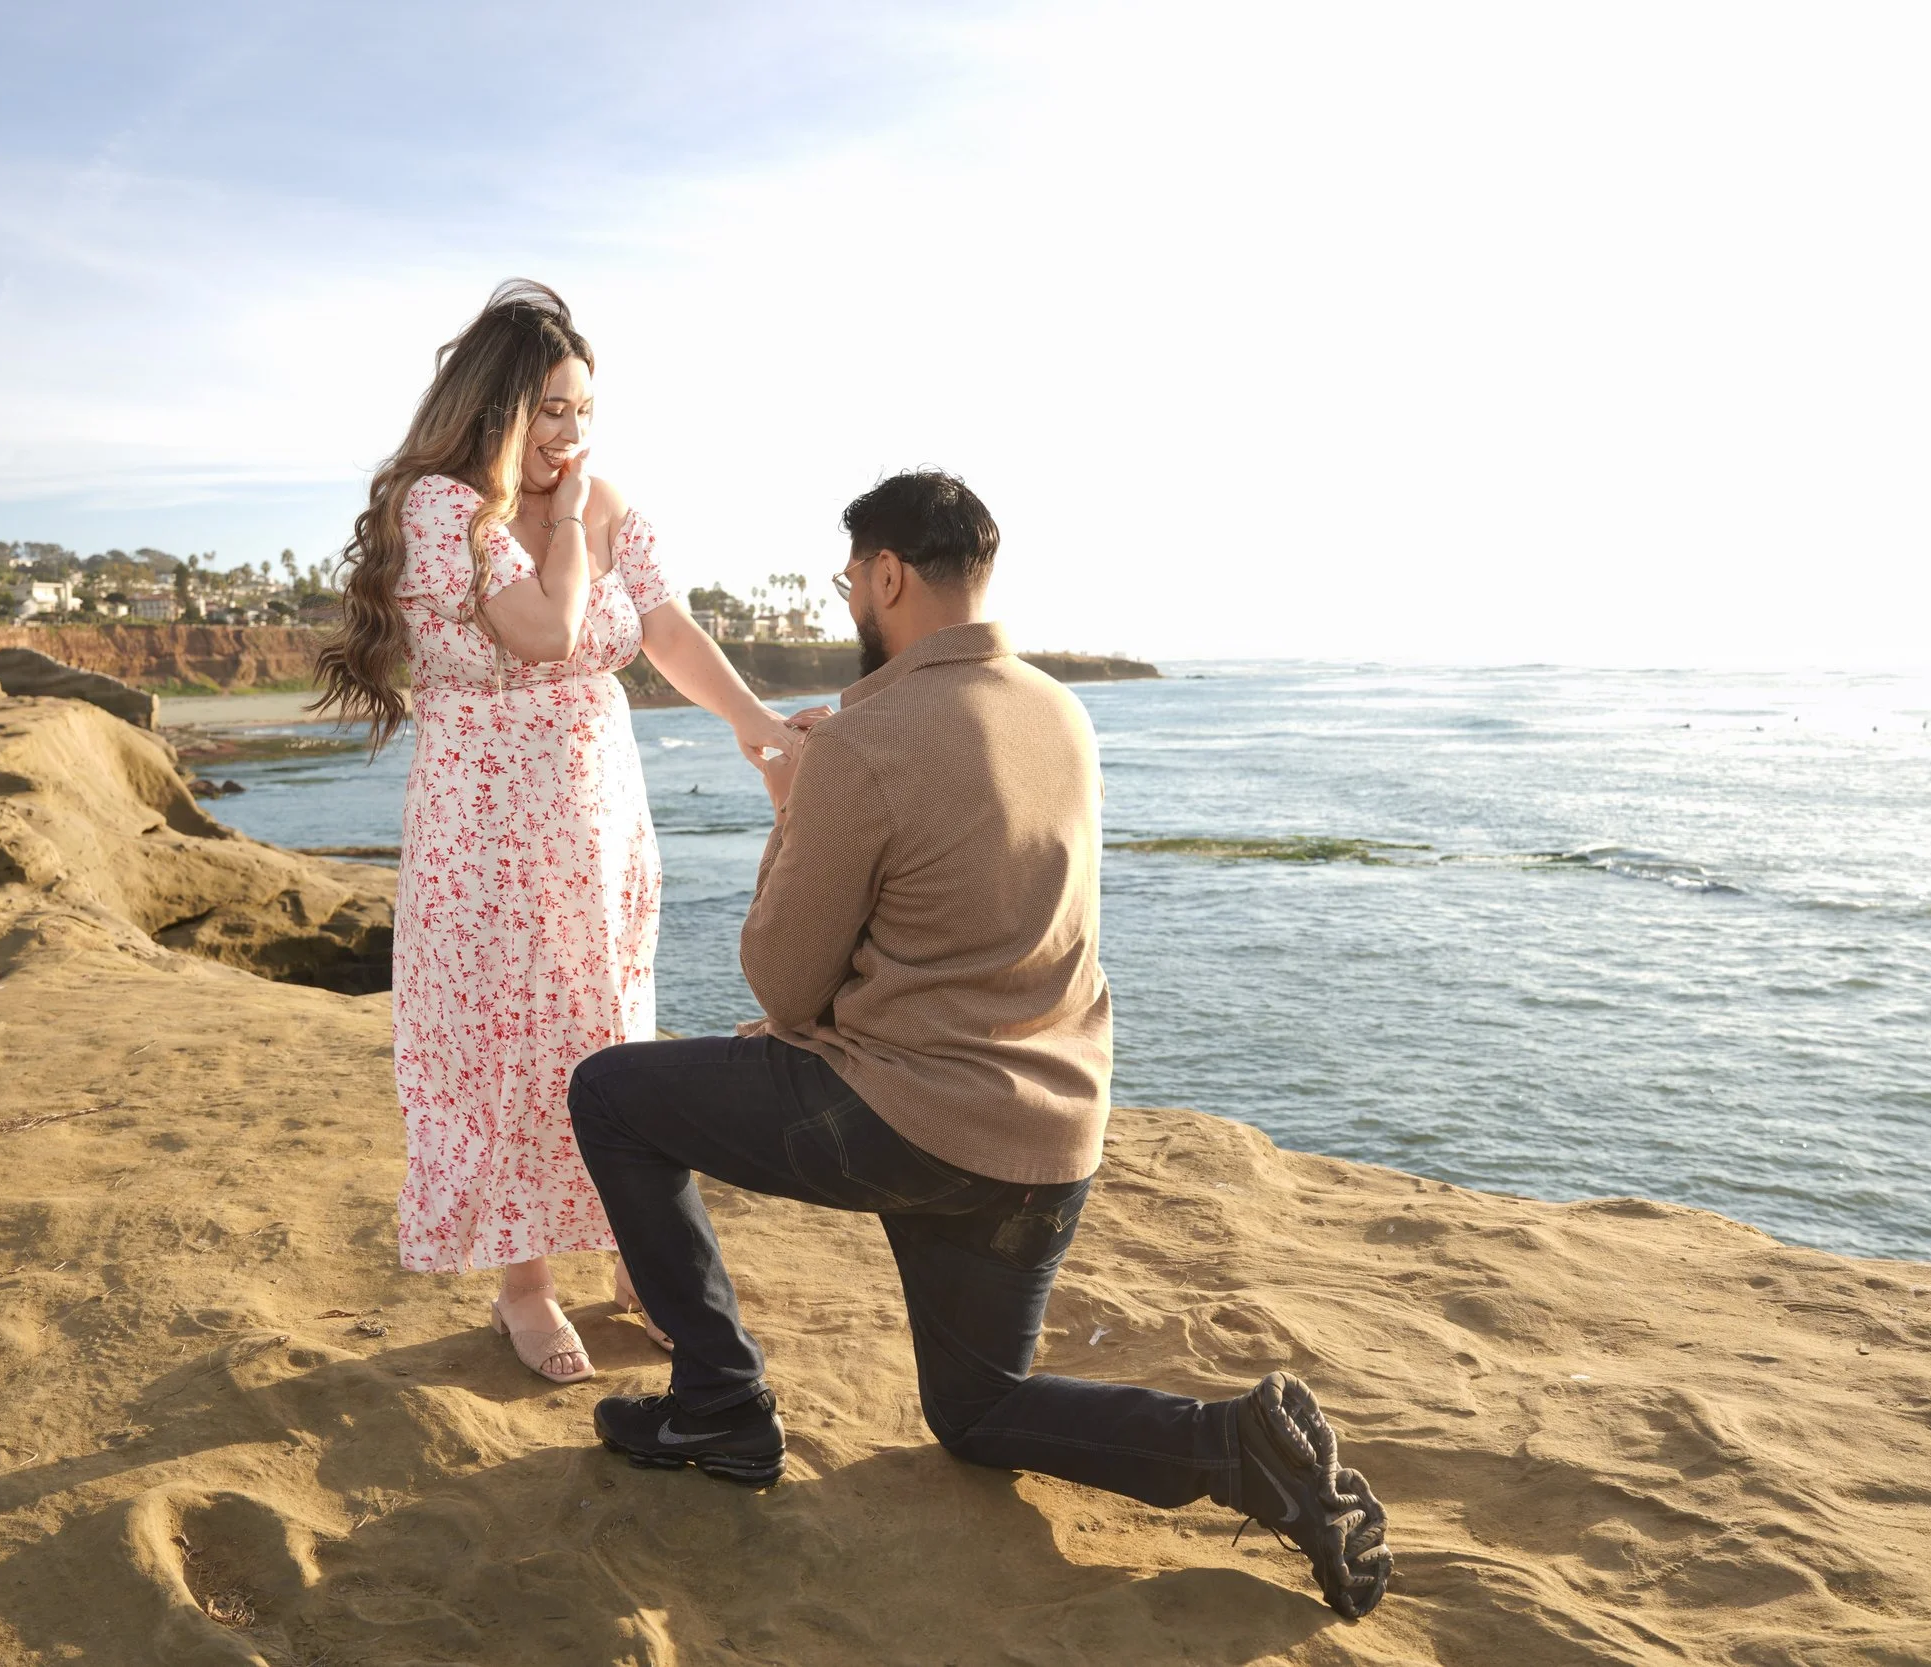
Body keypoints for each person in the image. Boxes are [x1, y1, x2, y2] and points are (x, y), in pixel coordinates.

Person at [566, 470, 1393, 1619]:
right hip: (1049, 1138)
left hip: (901, 1124)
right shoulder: (1062, 712)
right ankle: (1235, 1449)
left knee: (609, 1091)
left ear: (889, 575)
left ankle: (715, 1397)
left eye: (851, 575)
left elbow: (781, 981)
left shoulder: (866, 738)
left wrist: (797, 795)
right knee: (977, 1411)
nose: (848, 594)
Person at [313, 280, 797, 1384]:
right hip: (482, 830)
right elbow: (546, 630)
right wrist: (572, 524)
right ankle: (521, 1288)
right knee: (500, 1046)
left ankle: (640, 1254)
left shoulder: (603, 496)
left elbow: (666, 630)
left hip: (596, 814)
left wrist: (757, 725)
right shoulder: (441, 510)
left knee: (608, 1026)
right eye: (550, 412)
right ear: (490, 411)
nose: (572, 436)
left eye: (584, 411)